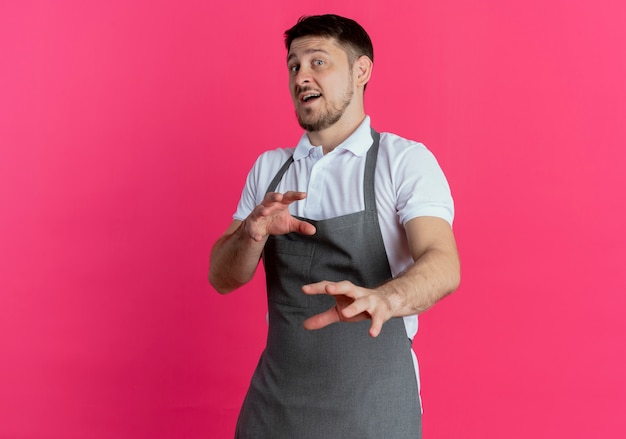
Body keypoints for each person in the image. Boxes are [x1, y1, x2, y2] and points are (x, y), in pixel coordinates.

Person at [209, 14, 460, 439]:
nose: (301, 76)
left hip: (374, 410)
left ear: (361, 71)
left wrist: (385, 298)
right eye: (294, 65)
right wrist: (252, 233)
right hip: (274, 410)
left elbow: (442, 262)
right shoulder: (270, 170)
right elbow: (221, 277)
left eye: (318, 62)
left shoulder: (402, 162)